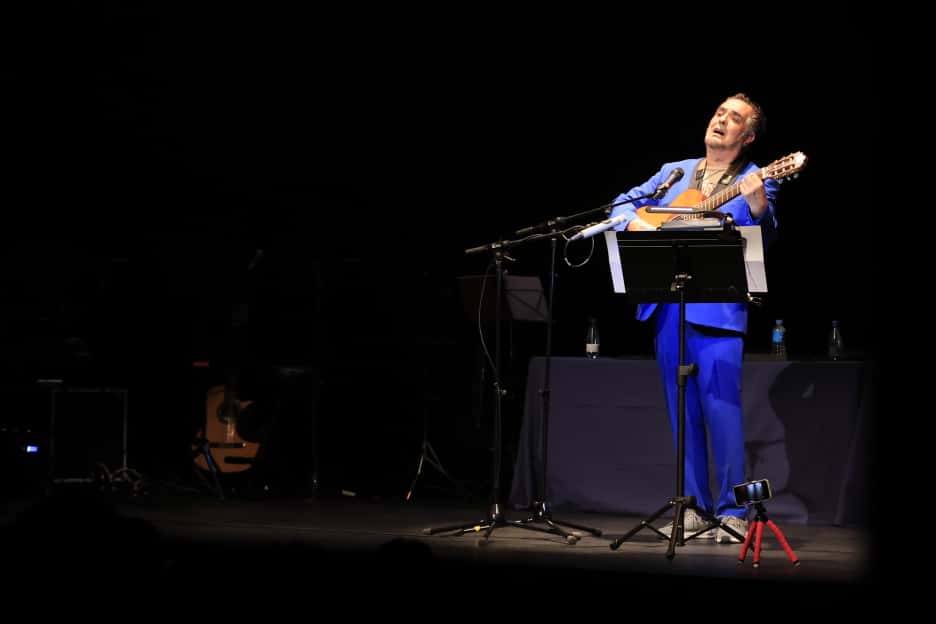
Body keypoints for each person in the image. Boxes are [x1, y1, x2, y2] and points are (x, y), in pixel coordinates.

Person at [609, 93, 779, 543]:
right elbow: (621, 205)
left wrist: (759, 203)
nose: (722, 120)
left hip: (719, 312)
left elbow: (766, 227)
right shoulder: (674, 173)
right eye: (720, 112)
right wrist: (636, 222)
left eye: (734, 118)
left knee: (723, 414)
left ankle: (733, 511)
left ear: (747, 137)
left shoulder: (753, 176)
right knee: (679, 413)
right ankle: (693, 509)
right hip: (669, 304)